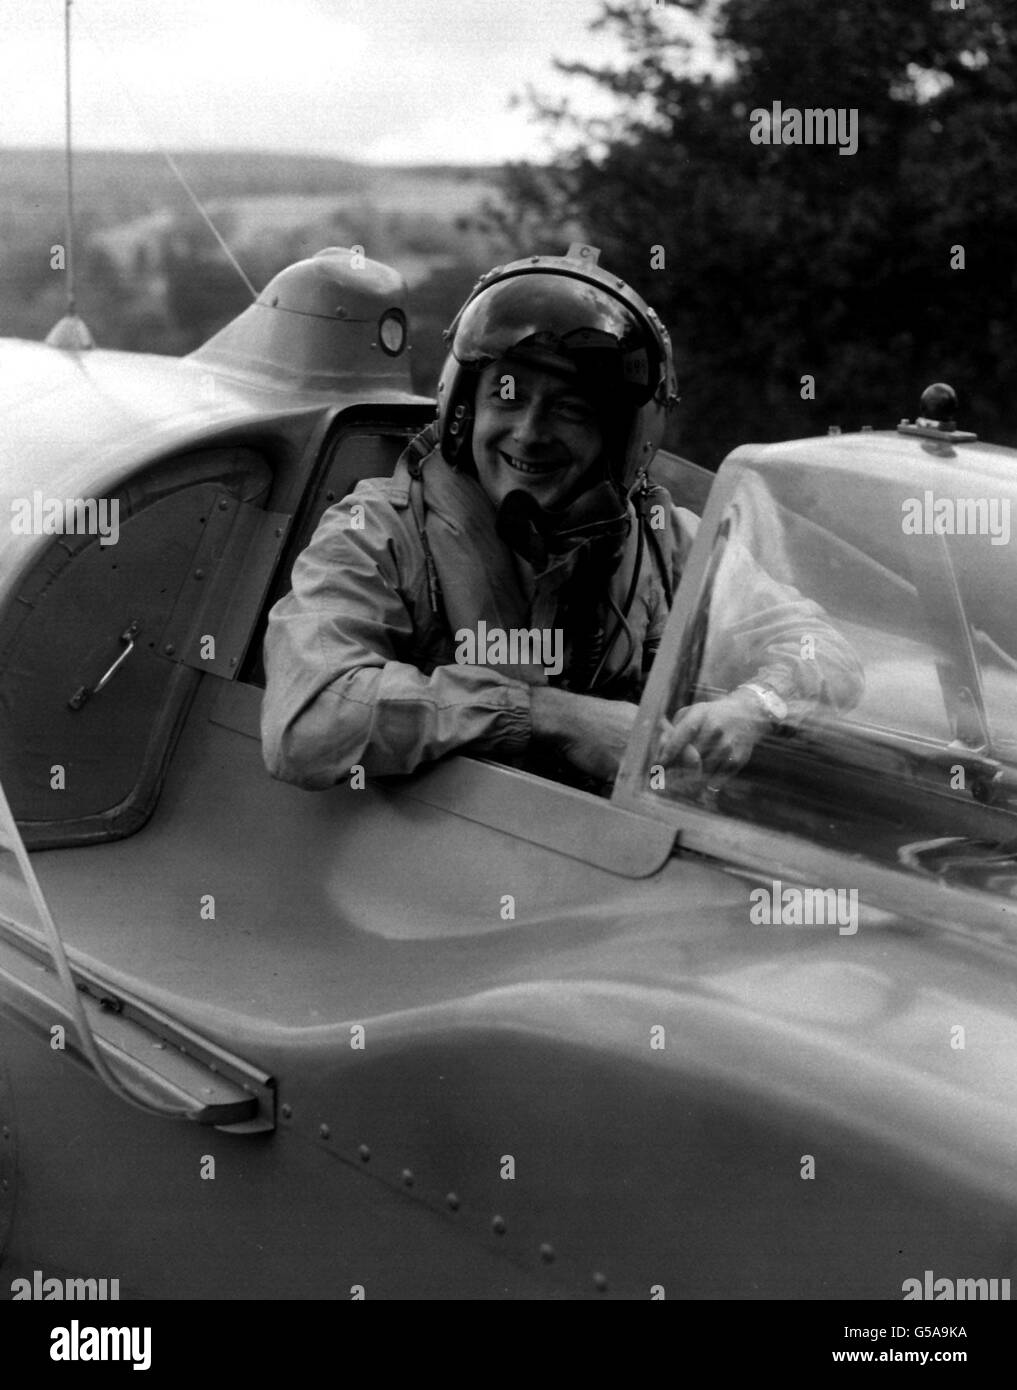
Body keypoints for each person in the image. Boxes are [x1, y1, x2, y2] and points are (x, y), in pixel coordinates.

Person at [261, 243, 861, 792]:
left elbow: (826, 651)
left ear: (622, 439)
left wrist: (753, 707)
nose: (530, 432)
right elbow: (306, 723)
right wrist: (547, 716)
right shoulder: (378, 533)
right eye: (508, 395)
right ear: (464, 406)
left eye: (570, 409)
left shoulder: (662, 539)